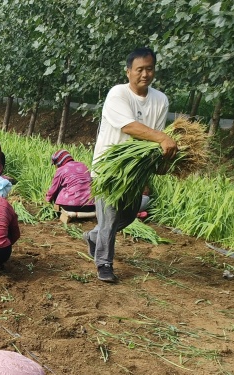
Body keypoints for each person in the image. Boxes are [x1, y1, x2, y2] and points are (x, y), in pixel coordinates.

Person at [84, 47, 177, 282]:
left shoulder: (160, 100)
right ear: (128, 72)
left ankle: (94, 236)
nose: (145, 74)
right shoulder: (118, 94)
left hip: (135, 170)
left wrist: (155, 166)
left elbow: (153, 136)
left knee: (128, 215)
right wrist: (164, 139)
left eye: (149, 69)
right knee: (111, 216)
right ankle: (104, 264)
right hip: (109, 169)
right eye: (139, 69)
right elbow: (129, 127)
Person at [45, 149, 95, 224]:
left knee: (60, 187)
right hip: (90, 205)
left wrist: (47, 199)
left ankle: (59, 211)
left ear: (59, 162)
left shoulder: (61, 169)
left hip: (71, 206)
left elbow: (53, 189)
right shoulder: (83, 165)